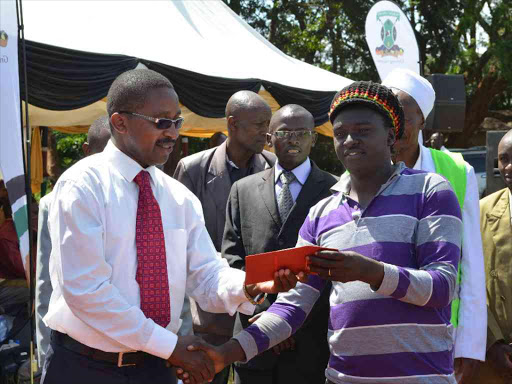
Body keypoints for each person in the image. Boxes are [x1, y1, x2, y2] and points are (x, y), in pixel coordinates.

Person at [184, 81, 464, 384]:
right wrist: (223, 355)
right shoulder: (322, 213)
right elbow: (292, 307)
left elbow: (442, 287)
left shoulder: (430, 191)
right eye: (341, 134)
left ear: (391, 136)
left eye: (363, 131)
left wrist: (368, 272)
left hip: (419, 377)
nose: (349, 141)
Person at [41, 69, 299, 384]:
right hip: (85, 367)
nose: (173, 133)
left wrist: (254, 283)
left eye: (177, 122)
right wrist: (172, 346)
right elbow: (87, 292)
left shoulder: (178, 198)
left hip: (156, 369)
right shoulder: (82, 186)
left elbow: (206, 275)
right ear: (120, 122)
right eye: (162, 122)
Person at [382, 68, 486, 383]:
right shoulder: (362, 171)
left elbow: (471, 264)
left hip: (440, 331)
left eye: (405, 116)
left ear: (423, 121)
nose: (396, 125)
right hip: (379, 332)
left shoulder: (456, 171)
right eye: (388, 115)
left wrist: (469, 346)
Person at [222, 105, 336, 384]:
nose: (293, 140)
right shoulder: (243, 189)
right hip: (253, 334)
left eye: (302, 133)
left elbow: (336, 271)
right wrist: (265, 317)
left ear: (314, 138)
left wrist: (288, 324)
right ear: (270, 137)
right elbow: (231, 259)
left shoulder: (335, 191)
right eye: (284, 132)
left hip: (310, 341)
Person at [173, 90, 275, 384]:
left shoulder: (272, 166)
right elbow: (181, 244)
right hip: (207, 314)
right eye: (258, 124)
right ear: (232, 124)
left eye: (267, 123)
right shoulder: (192, 169)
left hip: (257, 307)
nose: (265, 132)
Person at [35, 116, 112, 369]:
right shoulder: (54, 202)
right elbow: (46, 286)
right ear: (87, 151)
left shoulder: (148, 200)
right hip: (76, 354)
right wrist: (46, 352)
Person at [474, 129, 512, 384]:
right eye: (503, 158)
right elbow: (468, 282)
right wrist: (492, 344)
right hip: (495, 358)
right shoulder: (480, 211)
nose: (509, 166)